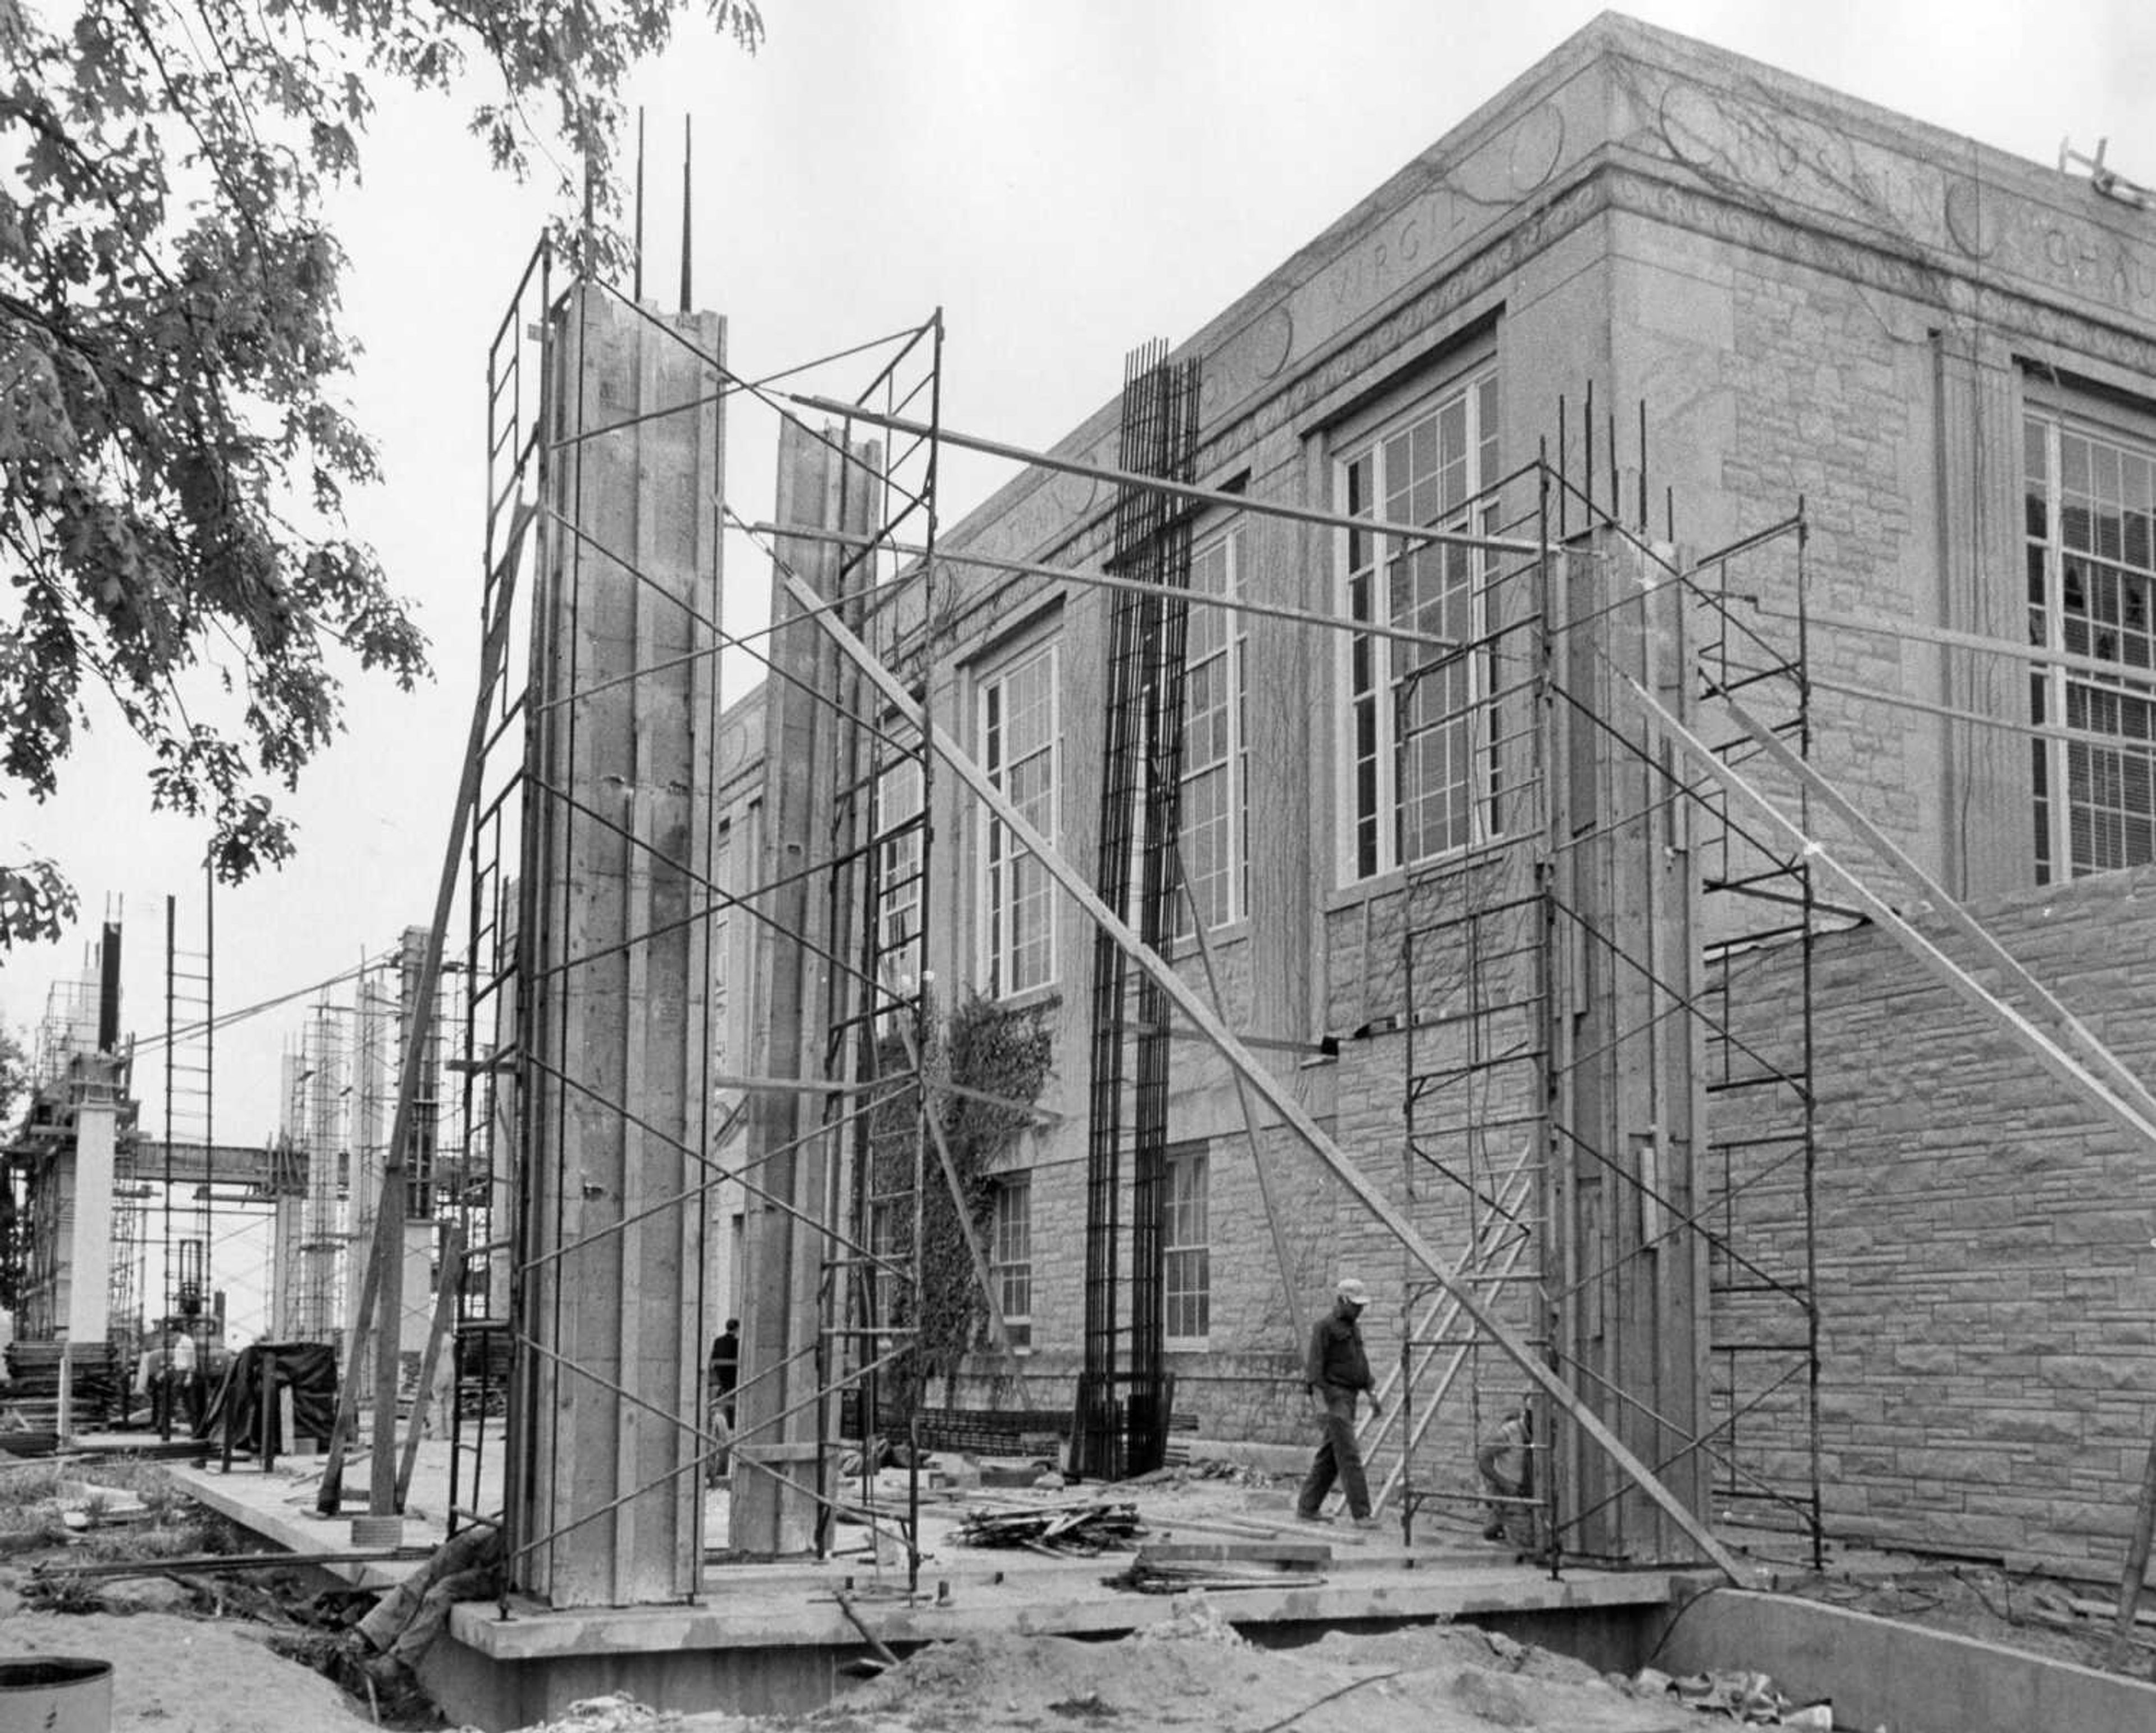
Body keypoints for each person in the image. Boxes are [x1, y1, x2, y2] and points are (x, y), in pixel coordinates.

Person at [1295, 1275, 1379, 1527]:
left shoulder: (1353, 1328)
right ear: (1342, 1301)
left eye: (1361, 1305)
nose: (1359, 1309)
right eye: (1355, 1305)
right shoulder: (1325, 1327)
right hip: (1336, 1398)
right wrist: (1325, 1403)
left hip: (1350, 1397)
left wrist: (1371, 1392)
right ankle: (1362, 1514)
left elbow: (1360, 1365)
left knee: (1331, 1457)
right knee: (1350, 1455)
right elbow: (1314, 1370)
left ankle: (1307, 1507)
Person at [1477, 1401, 1535, 1548]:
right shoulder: (1508, 1434)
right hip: (1510, 1492)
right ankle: (1502, 1521)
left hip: (1528, 1491)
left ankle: (1497, 1522)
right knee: (1527, 1542)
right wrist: (1505, 1484)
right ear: (1529, 1416)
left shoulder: (1539, 1434)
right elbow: (1484, 1459)